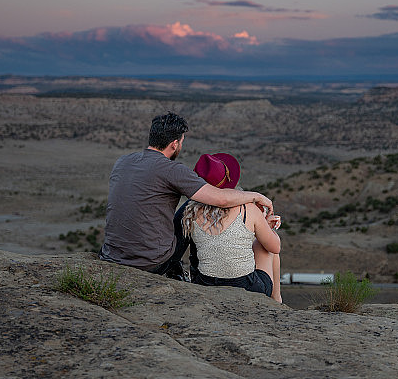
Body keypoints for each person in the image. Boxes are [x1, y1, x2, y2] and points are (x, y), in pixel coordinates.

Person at [99, 112, 273, 278]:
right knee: (195, 205)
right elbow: (221, 199)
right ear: (174, 144)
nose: (181, 146)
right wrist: (257, 196)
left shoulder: (122, 161)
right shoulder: (172, 170)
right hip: (151, 263)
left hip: (111, 255)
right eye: (181, 142)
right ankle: (199, 275)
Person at [181, 152, 283, 303]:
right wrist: (268, 228)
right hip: (247, 287)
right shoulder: (248, 209)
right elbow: (275, 247)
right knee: (266, 247)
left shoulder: (190, 213)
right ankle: (276, 300)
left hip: (206, 284)